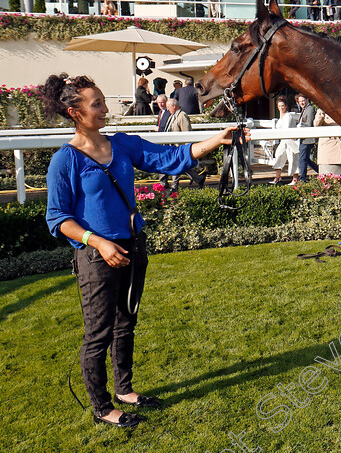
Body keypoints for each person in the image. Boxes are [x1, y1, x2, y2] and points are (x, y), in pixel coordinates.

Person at [43, 74, 246, 428]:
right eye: (97, 104)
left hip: (133, 247)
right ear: (75, 113)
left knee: (126, 323)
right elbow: (58, 218)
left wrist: (218, 139)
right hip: (96, 256)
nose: (105, 109)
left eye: (104, 101)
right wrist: (98, 241)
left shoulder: (122, 144)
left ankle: (124, 389)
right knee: (99, 332)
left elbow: (171, 158)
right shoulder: (66, 161)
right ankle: (103, 407)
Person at [164, 97, 206, 191]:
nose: (167, 109)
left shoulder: (182, 116)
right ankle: (199, 179)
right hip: (173, 147)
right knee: (183, 167)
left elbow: (187, 133)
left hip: (180, 148)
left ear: (174, 106)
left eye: (168, 107)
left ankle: (174, 187)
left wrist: (188, 150)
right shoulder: (172, 116)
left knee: (177, 166)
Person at [269, 95, 300, 185]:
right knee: (278, 155)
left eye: (283, 106)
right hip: (283, 141)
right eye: (279, 106)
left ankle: (295, 179)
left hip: (290, 141)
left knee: (292, 159)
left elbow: (285, 130)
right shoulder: (280, 117)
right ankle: (278, 177)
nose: (281, 108)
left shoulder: (288, 116)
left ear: (286, 106)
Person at [313, 108, 341, 176]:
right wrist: (321, 112)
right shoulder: (321, 112)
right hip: (327, 151)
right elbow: (316, 125)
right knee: (327, 179)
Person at [296, 94, 318, 182]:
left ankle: (302, 179)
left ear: (307, 100)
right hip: (303, 138)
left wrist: (299, 126)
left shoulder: (310, 109)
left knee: (302, 159)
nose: (301, 103)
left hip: (308, 139)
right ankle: (321, 171)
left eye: (303, 100)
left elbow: (309, 124)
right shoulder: (304, 110)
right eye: (300, 101)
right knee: (306, 159)